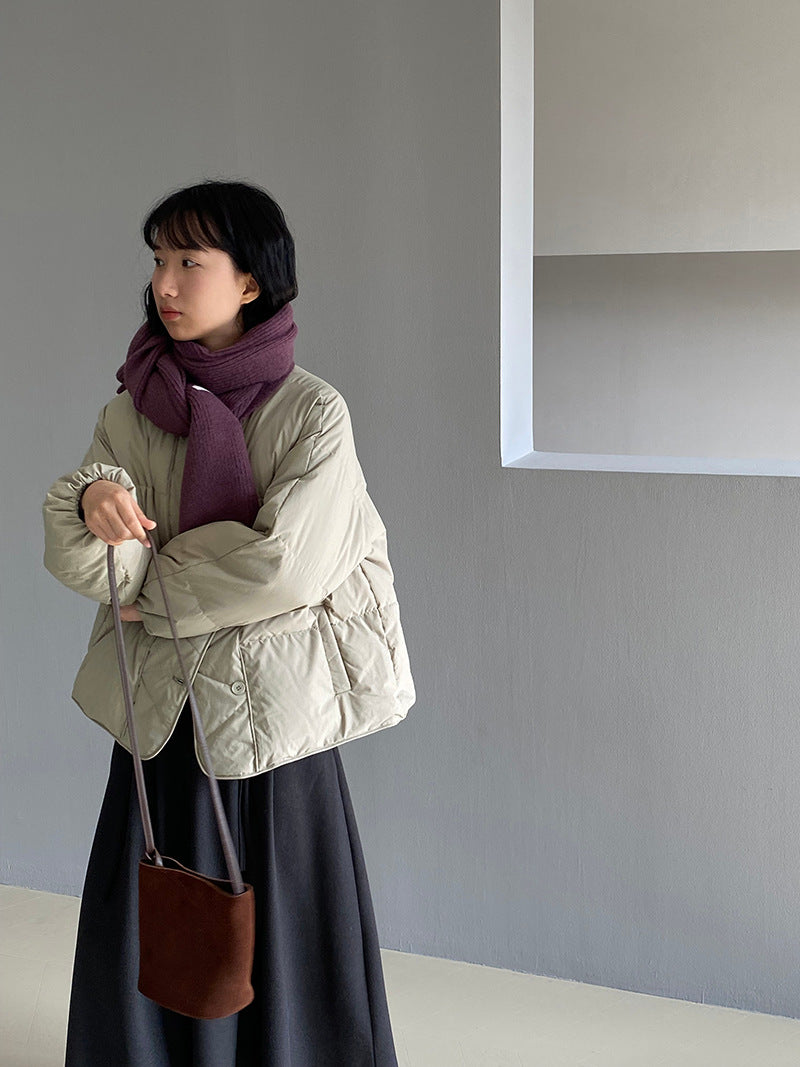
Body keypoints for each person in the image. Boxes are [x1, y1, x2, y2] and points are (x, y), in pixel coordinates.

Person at [41, 178, 416, 1066]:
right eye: (158, 260)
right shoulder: (131, 411)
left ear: (250, 280)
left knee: (284, 923)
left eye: (189, 261)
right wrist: (90, 502)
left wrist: (157, 580)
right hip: (163, 715)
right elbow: (99, 570)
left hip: (276, 725)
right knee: (158, 906)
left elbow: (287, 564)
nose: (164, 283)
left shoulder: (313, 412)